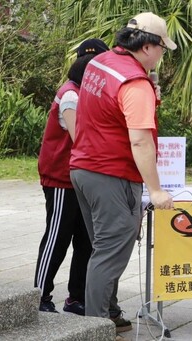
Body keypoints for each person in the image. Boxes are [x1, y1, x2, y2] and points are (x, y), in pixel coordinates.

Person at [69, 12, 176, 333]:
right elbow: (141, 140)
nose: (162, 56)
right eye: (162, 49)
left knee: (103, 247)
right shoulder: (134, 82)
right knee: (110, 251)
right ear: (147, 46)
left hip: (84, 169)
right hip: (111, 174)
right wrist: (155, 190)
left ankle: (110, 311)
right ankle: (95, 328)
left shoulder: (100, 63)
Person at [35, 38, 109, 315]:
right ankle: (39, 297)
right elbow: (82, 138)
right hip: (61, 178)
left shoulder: (87, 94)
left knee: (85, 240)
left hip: (83, 177)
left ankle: (76, 298)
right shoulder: (71, 94)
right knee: (58, 237)